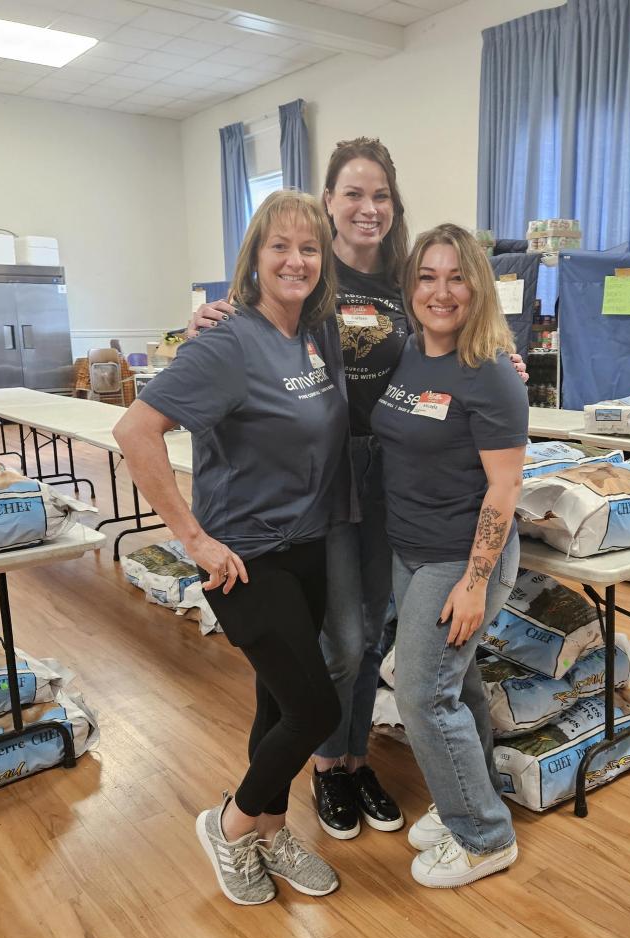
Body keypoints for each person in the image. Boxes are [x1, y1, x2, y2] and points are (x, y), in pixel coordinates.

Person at [189, 138, 528, 843]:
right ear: (328, 202)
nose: (366, 208)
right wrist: (208, 320)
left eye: (379, 195)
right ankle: (328, 765)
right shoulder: (309, 273)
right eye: (352, 193)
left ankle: (357, 755)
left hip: (400, 470)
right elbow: (256, 323)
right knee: (342, 639)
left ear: (393, 205)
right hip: (327, 467)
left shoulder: (410, 279)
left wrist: (500, 355)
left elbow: (457, 333)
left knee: (377, 630)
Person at [113, 191, 355, 906]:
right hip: (244, 556)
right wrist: (192, 539)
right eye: (280, 246)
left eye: (309, 248)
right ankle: (229, 824)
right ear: (254, 256)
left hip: (305, 546)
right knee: (314, 714)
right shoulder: (225, 341)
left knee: (277, 705)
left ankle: (273, 833)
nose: (295, 260)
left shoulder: (312, 332)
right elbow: (135, 432)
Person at [369, 224, 529, 888]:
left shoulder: (489, 373)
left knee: (419, 694)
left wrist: (473, 581)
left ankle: (484, 835)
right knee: (454, 685)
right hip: (408, 552)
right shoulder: (403, 354)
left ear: (477, 286)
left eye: (455, 277)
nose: (440, 291)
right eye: (426, 277)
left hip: (458, 559)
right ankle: (466, 795)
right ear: (409, 288)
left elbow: (505, 487)